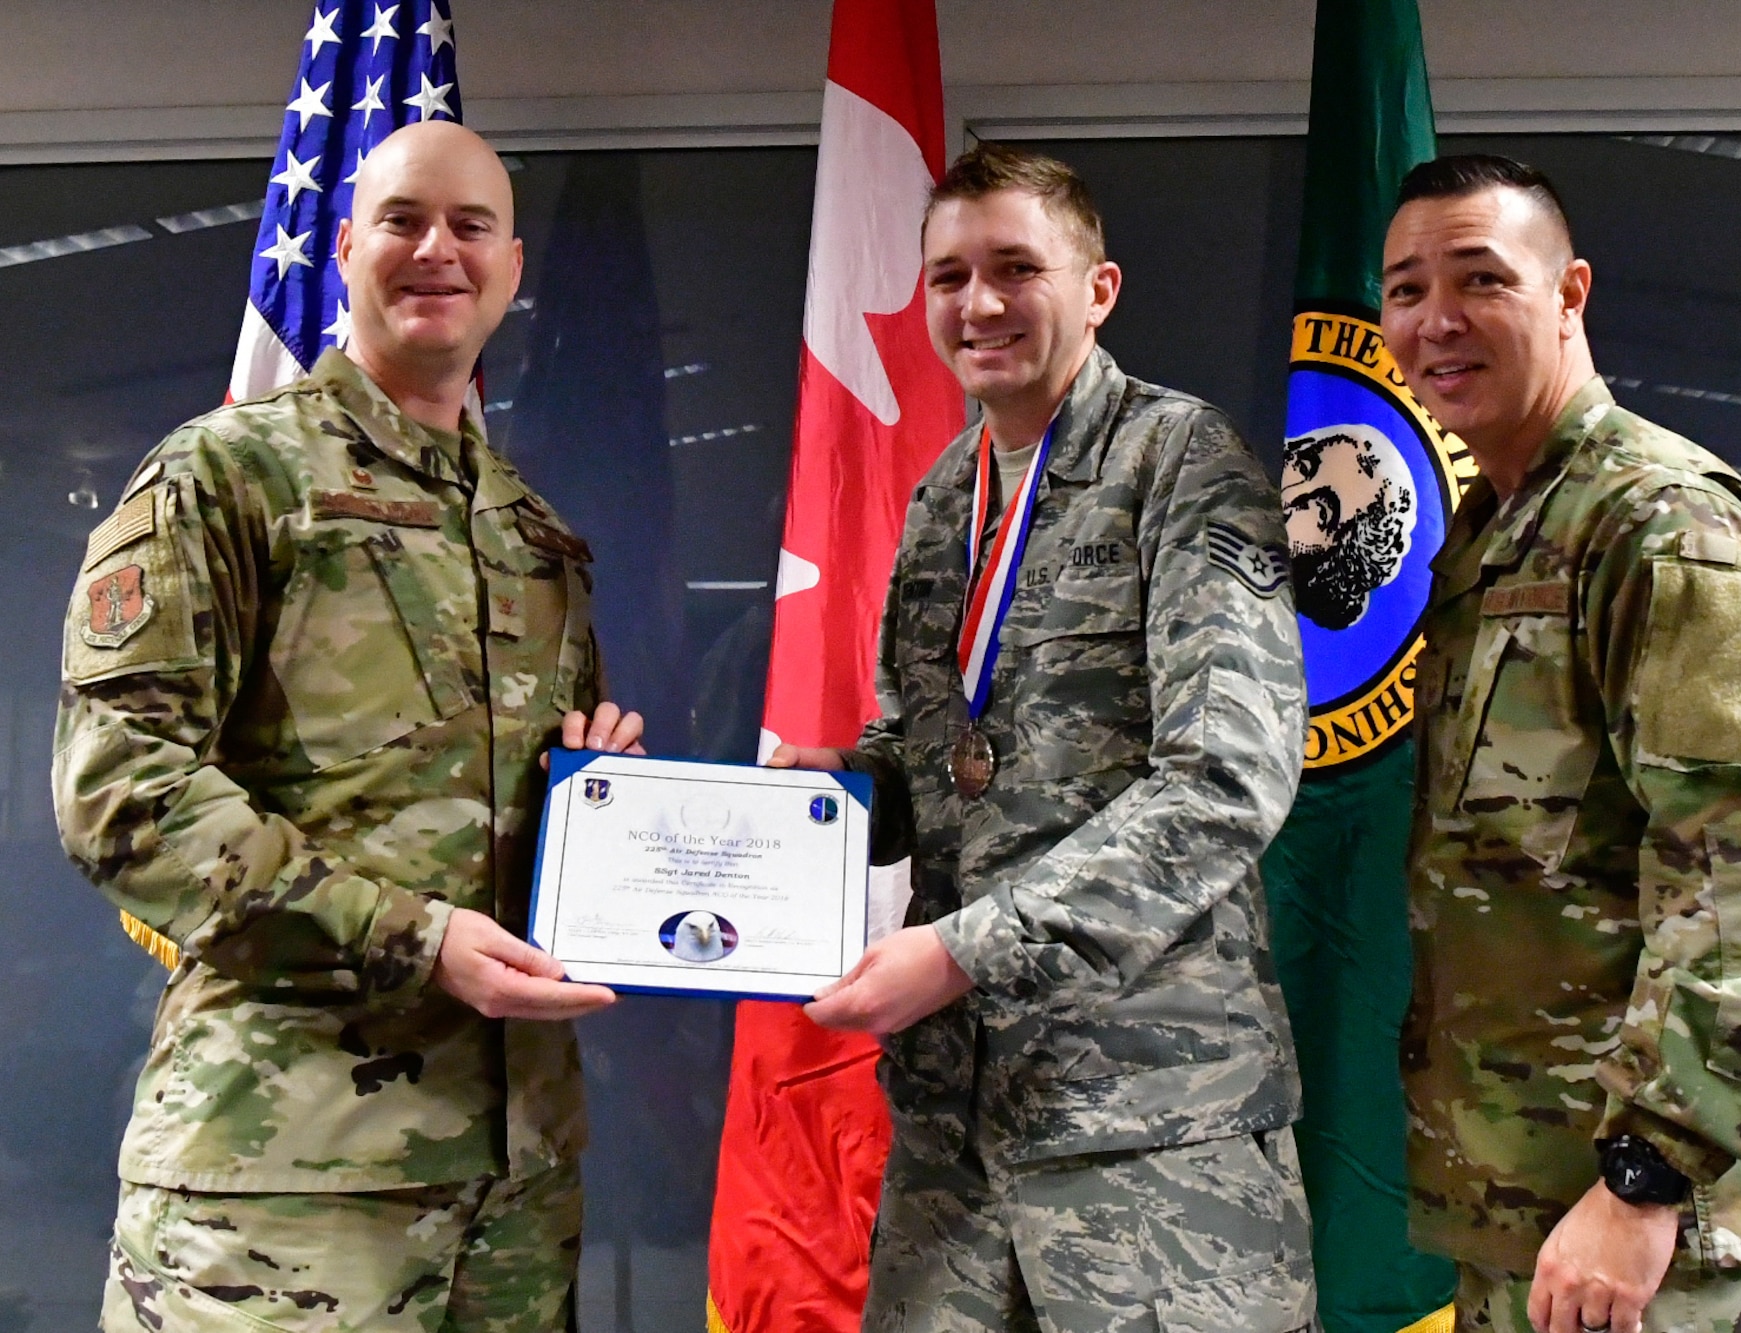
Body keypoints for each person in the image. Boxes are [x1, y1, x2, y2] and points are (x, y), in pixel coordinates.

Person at [54, 120, 642, 1332]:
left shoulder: (536, 538)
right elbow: (120, 786)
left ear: (511, 267)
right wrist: (411, 936)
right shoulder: (226, 476)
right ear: (344, 247)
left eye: (471, 226)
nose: (439, 250)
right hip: (285, 1182)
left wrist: (599, 813)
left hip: (514, 1188)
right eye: (404, 220)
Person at [770, 143, 1317, 1332]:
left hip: (1151, 1132)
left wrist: (965, 949)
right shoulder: (938, 499)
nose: (977, 305)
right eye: (947, 275)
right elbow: (939, 755)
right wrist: (843, 793)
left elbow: (1225, 778)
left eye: (1015, 268)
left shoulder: (1181, 463)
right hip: (955, 1133)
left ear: (1097, 289)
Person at [1381, 154, 1741, 1333]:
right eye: (1404, 289)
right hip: (1515, 1209)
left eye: (1479, 278)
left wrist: (1645, 1179)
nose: (1435, 319)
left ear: (1567, 293)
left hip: (1645, 1234)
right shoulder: (1491, 539)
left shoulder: (1658, 526)